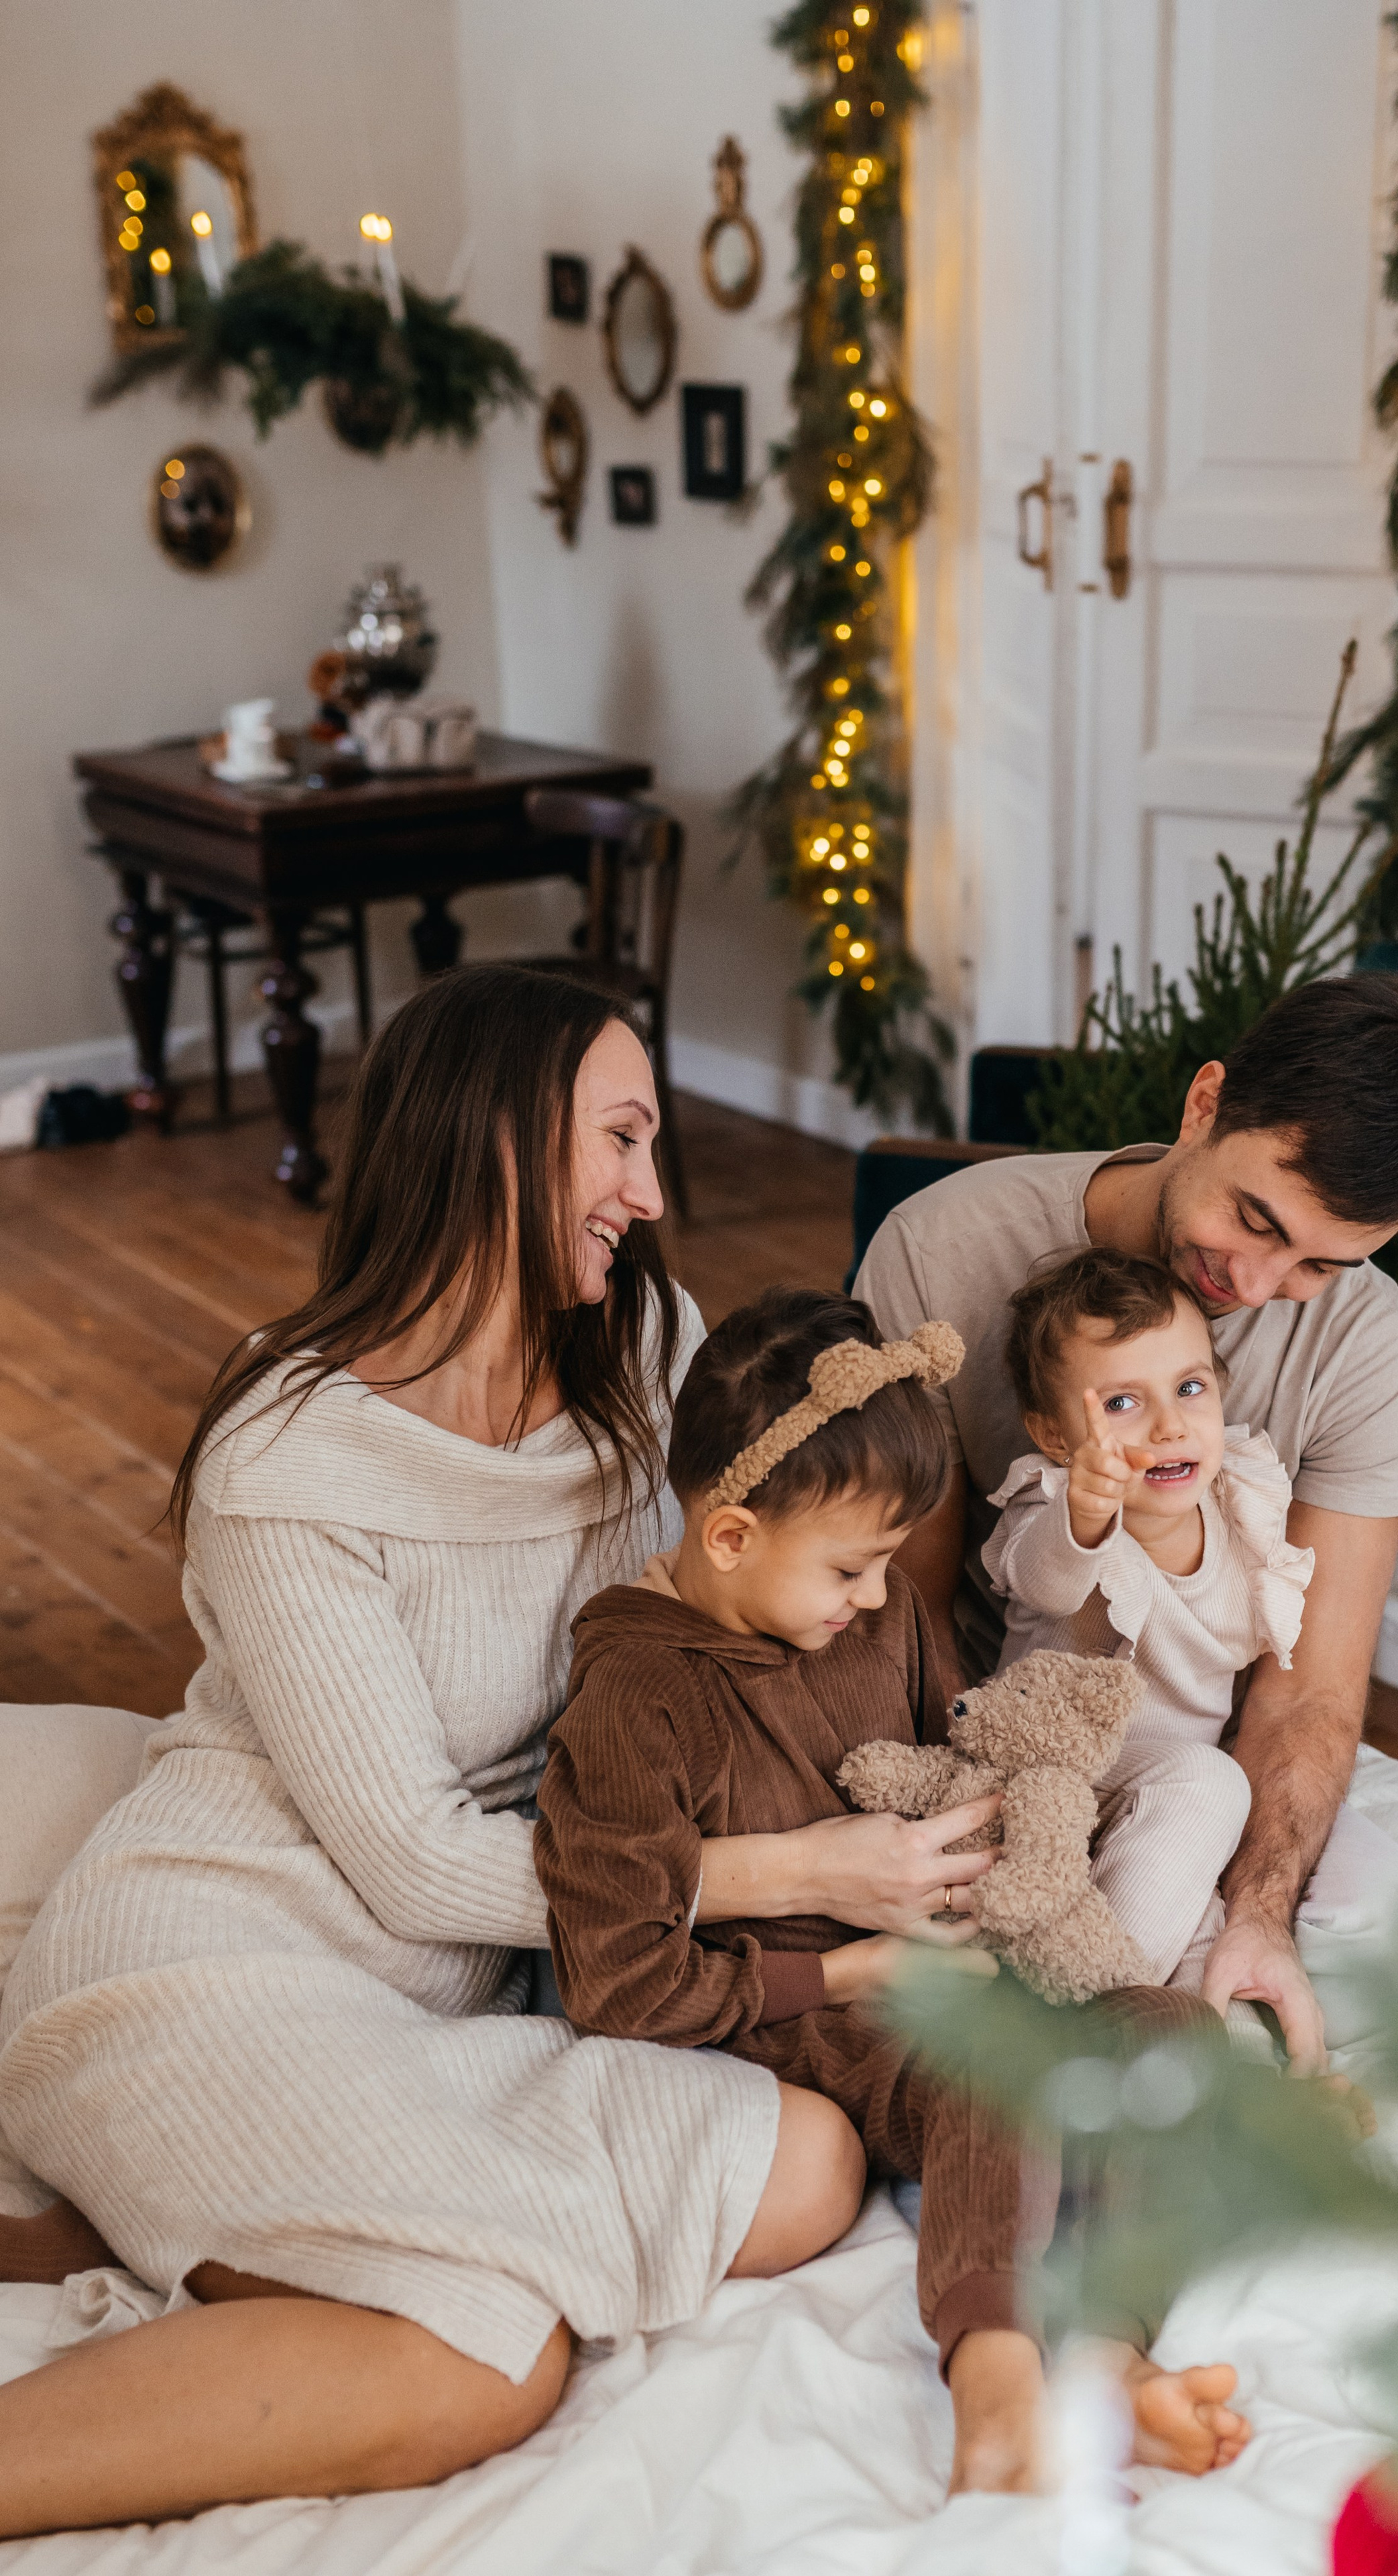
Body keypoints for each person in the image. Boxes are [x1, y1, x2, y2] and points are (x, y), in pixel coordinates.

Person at [0, 969, 878, 2540]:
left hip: (449, 1999)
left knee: (804, 2163)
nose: (652, 1191)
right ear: (495, 1136)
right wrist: (787, 1869)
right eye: (620, 1137)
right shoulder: (288, 1446)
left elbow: (804, 1521)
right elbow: (407, 1858)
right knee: (485, 2351)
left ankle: (193, 2231)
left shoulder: (645, 1349)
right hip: (217, 1950)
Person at [534, 1286, 1250, 2500]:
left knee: (1181, 2039)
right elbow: (616, 1978)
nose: (877, 1596)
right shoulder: (637, 1701)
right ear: (728, 1537)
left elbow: (952, 1757)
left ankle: (1111, 2357)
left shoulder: (883, 1621)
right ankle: (994, 2386)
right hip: (807, 2017)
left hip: (952, 1955)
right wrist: (850, 1970)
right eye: (853, 1567)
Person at [854, 974, 1398, 2073]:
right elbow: (906, 1612)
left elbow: (1314, 1689)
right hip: (1000, 1730)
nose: (1257, 1280)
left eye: (1323, 1264)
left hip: (1189, 1757)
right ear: (1204, 1105)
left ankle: (1087, 2024)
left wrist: (1259, 1915)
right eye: (1254, 1218)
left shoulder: (1378, 1357)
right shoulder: (942, 1249)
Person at [985, 1243, 1310, 1993]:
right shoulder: (1057, 1500)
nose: (1169, 1425)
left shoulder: (1241, 1506)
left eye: (1190, 1387)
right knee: (1216, 1782)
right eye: (1123, 1403)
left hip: (1157, 1808)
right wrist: (1087, 1513)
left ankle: (1215, 2061)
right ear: (1056, 1435)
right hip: (1043, 1778)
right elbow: (1046, 1583)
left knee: (1204, 1944)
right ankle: (1072, 2000)